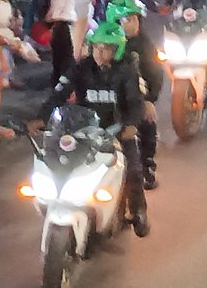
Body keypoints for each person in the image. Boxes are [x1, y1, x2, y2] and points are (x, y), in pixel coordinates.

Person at [36, 24, 151, 235]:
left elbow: (136, 103)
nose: (100, 52)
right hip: (83, 129)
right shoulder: (81, 68)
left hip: (116, 130)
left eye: (107, 48)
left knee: (133, 169)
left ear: (117, 50)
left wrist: (132, 125)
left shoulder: (127, 71)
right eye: (96, 47)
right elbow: (58, 94)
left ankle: (138, 210)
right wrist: (41, 117)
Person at [103, 0, 166, 190]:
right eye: (126, 20)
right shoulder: (105, 43)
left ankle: (147, 165)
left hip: (136, 98)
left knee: (147, 124)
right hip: (108, 98)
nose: (133, 24)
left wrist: (149, 100)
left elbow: (155, 74)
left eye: (134, 19)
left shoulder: (144, 45)